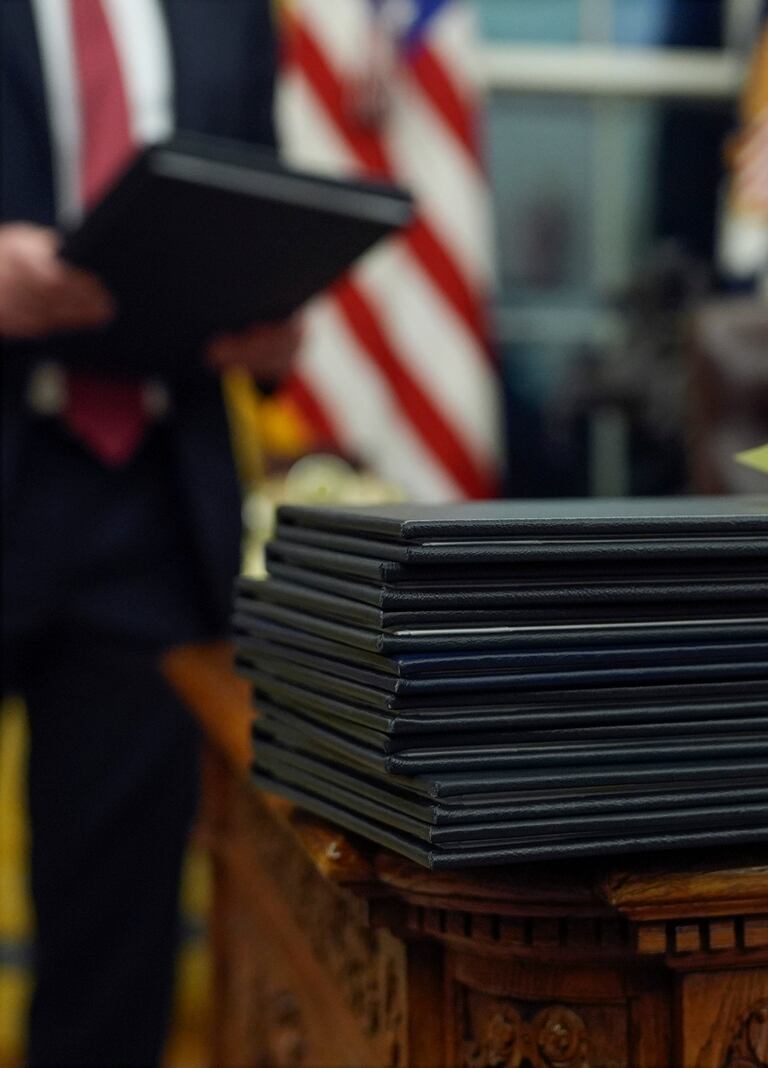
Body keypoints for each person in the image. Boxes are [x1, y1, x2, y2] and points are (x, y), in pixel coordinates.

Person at [0, 1, 299, 1063]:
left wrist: (273, 309)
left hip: (153, 510)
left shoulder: (232, 14)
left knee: (115, 954)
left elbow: (258, 198)